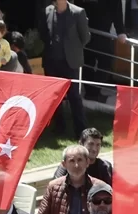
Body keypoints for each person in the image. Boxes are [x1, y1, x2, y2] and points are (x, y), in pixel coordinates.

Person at [39, 0, 90, 138]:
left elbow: (85, 37)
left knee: (74, 96)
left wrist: (72, 49)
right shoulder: (47, 11)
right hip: (51, 60)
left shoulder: (78, 12)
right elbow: (44, 33)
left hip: (70, 62)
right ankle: (59, 127)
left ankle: (81, 130)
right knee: (55, 97)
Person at [38, 145, 95, 214]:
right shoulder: (53, 187)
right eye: (72, 161)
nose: (76, 165)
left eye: (80, 160)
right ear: (64, 164)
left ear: (87, 162)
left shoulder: (99, 187)